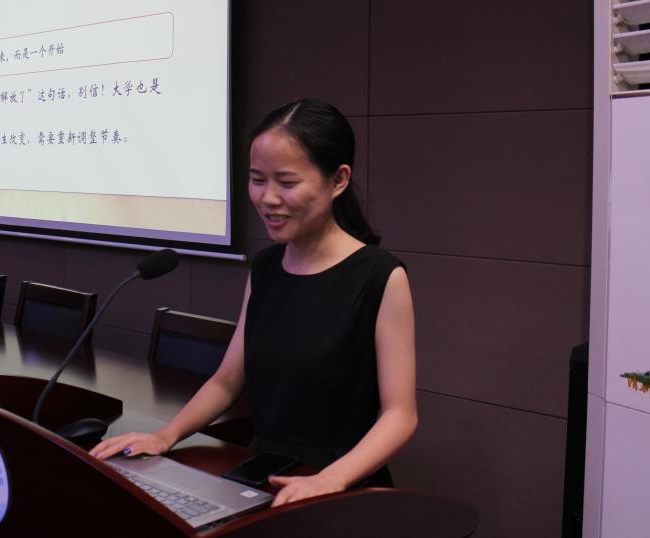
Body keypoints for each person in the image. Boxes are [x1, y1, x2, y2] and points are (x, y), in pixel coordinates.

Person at [90, 98, 417, 508]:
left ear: (338, 180)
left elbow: (400, 415)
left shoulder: (381, 276)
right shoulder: (265, 268)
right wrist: (164, 436)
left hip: (341, 484)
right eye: (257, 179)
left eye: (287, 182)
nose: (268, 198)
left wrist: (331, 479)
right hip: (262, 471)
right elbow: (227, 380)